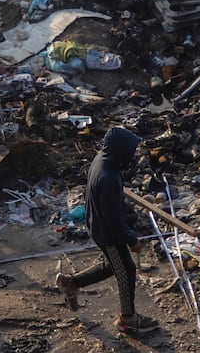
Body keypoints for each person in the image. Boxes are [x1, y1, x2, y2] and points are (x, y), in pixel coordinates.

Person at [56, 126, 157, 334]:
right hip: (107, 232)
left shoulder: (102, 160)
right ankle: (127, 318)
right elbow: (113, 219)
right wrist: (131, 240)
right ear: (120, 151)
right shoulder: (109, 176)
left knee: (114, 265)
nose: (133, 155)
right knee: (127, 270)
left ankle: (70, 282)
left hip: (98, 223)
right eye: (130, 151)